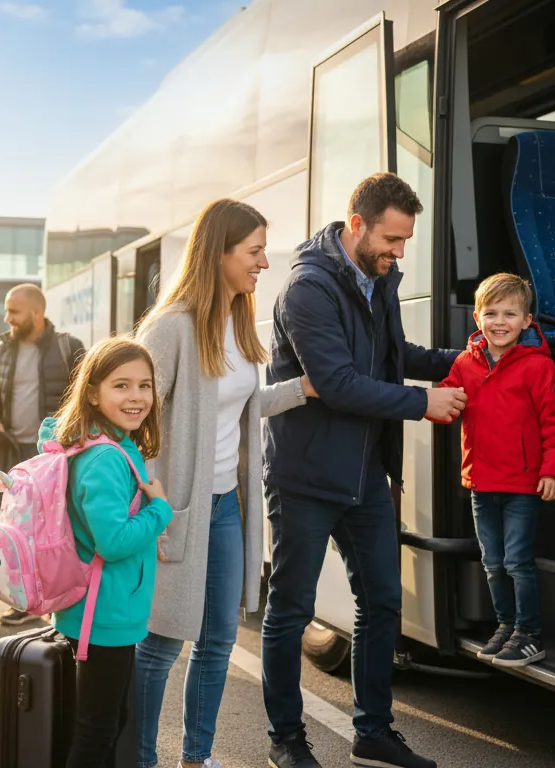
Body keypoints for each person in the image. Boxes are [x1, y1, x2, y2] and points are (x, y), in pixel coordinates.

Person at [261, 173, 466, 768]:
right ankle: (286, 740)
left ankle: (372, 733)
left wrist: (473, 360)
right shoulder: (306, 290)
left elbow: (396, 359)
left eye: (405, 241)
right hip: (305, 478)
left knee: (381, 602)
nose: (399, 252)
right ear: (357, 224)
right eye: (392, 239)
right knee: (291, 609)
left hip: (364, 478)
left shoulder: (380, 279)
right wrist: (421, 403)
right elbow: (336, 382)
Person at [135, 199, 317, 768]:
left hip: (226, 507)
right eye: (255, 250)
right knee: (163, 641)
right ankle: (139, 758)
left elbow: (239, 405)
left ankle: (198, 756)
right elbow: (132, 412)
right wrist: (150, 492)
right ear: (219, 254)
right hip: (178, 508)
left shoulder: (239, 324)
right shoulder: (171, 328)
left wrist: (304, 389)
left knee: (218, 642)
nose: (265, 261)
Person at [40, 337, 174, 768]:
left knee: (109, 721)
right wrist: (160, 511)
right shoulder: (106, 459)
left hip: (105, 608)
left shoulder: (108, 443)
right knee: (97, 730)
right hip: (105, 614)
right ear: (93, 392)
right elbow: (112, 542)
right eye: (121, 386)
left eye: (145, 386)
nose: (136, 397)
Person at [439, 273, 555, 669]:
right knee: (492, 562)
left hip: (522, 485)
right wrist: (429, 402)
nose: (500, 322)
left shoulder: (537, 367)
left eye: (510, 314)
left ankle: (528, 633)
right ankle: (505, 625)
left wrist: (553, 473)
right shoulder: (465, 363)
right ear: (477, 317)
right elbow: (448, 400)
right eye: (491, 313)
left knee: (516, 562)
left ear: (527, 320)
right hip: (482, 482)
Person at [0, 282, 86, 626]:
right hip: (14, 452)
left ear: (36, 313)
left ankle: (62, 596)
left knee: (58, 528)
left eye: (14, 311)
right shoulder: (3, 350)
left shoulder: (67, 347)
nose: (7, 318)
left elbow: (86, 392)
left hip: (53, 456)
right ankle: (25, 599)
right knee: (21, 530)